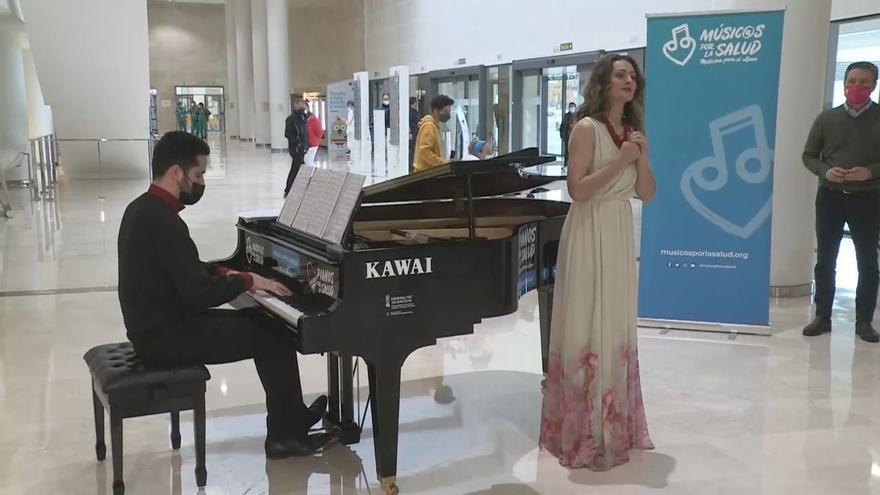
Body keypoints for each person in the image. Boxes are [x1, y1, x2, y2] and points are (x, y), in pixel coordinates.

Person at [117, 131, 333, 458]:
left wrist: (224, 272)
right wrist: (246, 281)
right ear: (177, 172)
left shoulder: (141, 209)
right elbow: (199, 293)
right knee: (275, 335)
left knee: (261, 320)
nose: (201, 182)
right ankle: (286, 436)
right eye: (198, 174)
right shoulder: (163, 222)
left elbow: (181, 268)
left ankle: (292, 418)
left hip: (157, 326)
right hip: (166, 336)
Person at [539, 54, 655, 471]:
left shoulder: (633, 133)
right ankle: (582, 430)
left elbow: (648, 194)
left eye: (632, 75)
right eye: (620, 74)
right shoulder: (585, 128)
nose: (628, 79)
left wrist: (638, 157)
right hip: (588, 230)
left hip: (619, 229)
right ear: (603, 83)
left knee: (615, 322)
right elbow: (578, 189)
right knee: (587, 320)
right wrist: (621, 160)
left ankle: (614, 425)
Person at [802, 61, 880, 343]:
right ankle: (822, 317)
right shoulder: (826, 119)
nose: (856, 87)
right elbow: (808, 155)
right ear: (844, 83)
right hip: (830, 198)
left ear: (873, 86)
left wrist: (869, 172)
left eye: (863, 82)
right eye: (852, 80)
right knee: (825, 260)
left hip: (868, 199)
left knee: (868, 262)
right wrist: (826, 170)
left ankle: (864, 322)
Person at [413, 95, 454, 172]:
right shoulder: (429, 127)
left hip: (429, 171)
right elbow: (425, 151)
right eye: (445, 112)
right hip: (425, 173)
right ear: (435, 111)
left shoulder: (435, 126)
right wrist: (442, 163)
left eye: (449, 111)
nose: (448, 114)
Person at [284, 98, 309, 196]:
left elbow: (305, 133)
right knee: (296, 167)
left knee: (298, 168)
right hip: (296, 148)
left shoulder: (303, 118)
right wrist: (297, 141)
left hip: (302, 147)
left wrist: (306, 144)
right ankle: (289, 189)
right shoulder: (291, 119)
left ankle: (294, 188)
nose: (303, 106)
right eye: (301, 104)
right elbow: (288, 134)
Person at [304, 100, 323, 167]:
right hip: (306, 144)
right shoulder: (304, 119)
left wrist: (316, 139)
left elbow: (319, 131)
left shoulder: (312, 118)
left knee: (309, 161)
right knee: (307, 160)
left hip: (312, 144)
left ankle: (313, 174)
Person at [409, 97, 420, 170]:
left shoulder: (415, 112)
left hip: (416, 133)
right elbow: (410, 122)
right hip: (413, 133)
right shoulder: (411, 112)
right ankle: (411, 165)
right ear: (414, 102)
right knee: (412, 150)